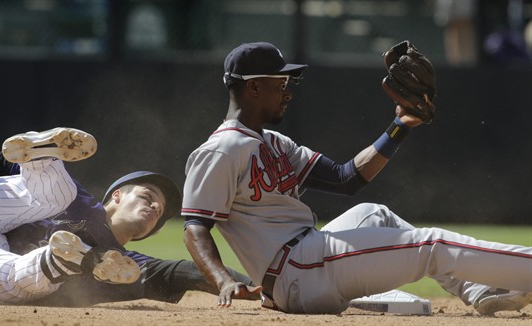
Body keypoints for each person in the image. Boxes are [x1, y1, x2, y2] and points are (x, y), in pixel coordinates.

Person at [181, 42, 532, 315]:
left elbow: (345, 177)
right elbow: (195, 227)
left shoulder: (274, 142)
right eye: (280, 83)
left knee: (374, 213)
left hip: (308, 257)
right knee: (431, 245)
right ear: (254, 88)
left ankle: (480, 291)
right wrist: (224, 280)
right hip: (297, 270)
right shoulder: (221, 150)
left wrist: (399, 127)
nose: (288, 92)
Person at [0, 61, 256, 306]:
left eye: (160, 212)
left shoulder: (125, 266)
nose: (154, 208)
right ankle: (42, 152)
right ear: (116, 195)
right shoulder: (77, 202)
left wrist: (238, 282)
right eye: (148, 196)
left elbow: (183, 271)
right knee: (57, 194)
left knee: (15, 278)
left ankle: (60, 258)